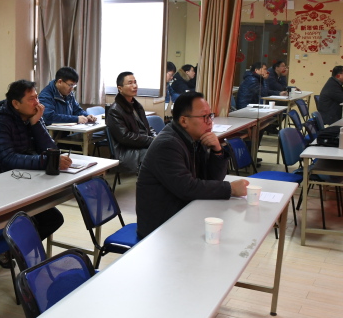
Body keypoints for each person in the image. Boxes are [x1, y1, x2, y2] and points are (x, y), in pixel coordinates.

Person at [135, 92, 248, 239]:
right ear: (184, 121)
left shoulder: (196, 139)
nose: (210, 122)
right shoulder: (167, 145)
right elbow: (187, 188)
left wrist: (217, 151)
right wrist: (230, 188)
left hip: (185, 213)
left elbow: (213, 179)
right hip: (161, 228)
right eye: (204, 117)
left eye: (210, 116)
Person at [0, 79, 69, 242]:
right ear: (16, 104)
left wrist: (36, 124)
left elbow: (51, 150)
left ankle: (18, 248)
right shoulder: (0, 123)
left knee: (53, 218)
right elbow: (9, 159)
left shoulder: (32, 117)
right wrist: (47, 161)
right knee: (43, 220)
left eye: (37, 97)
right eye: (31, 99)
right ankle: (16, 248)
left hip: (20, 181)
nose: (37, 103)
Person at [106, 72, 155, 175]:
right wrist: (151, 140)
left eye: (135, 82)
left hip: (141, 144)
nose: (135, 86)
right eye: (130, 83)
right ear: (120, 88)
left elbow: (147, 128)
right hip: (127, 151)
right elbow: (125, 137)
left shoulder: (137, 106)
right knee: (159, 154)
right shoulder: (115, 110)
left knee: (166, 149)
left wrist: (156, 137)